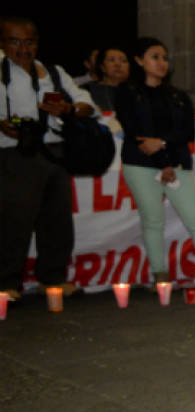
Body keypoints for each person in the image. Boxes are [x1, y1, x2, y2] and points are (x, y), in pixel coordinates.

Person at [115, 37, 195, 289]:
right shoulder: (127, 92)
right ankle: (160, 274)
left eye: (165, 58)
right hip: (141, 164)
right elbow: (136, 132)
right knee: (153, 220)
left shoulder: (178, 96)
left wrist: (163, 146)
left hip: (177, 165)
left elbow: (187, 132)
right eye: (155, 57)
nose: (162, 63)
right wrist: (161, 159)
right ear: (139, 60)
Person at [0, 16, 93, 301]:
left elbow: (87, 104)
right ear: (2, 43)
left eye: (28, 42)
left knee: (57, 220)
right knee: (14, 221)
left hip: (54, 152)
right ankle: (6, 284)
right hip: (13, 152)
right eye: (15, 41)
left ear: (37, 43)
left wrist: (69, 109)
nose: (22, 48)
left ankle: (52, 279)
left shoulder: (52, 71)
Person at [81, 47, 130, 112]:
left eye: (123, 61)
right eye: (112, 60)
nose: (118, 64)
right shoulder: (87, 90)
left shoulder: (137, 92)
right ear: (102, 67)